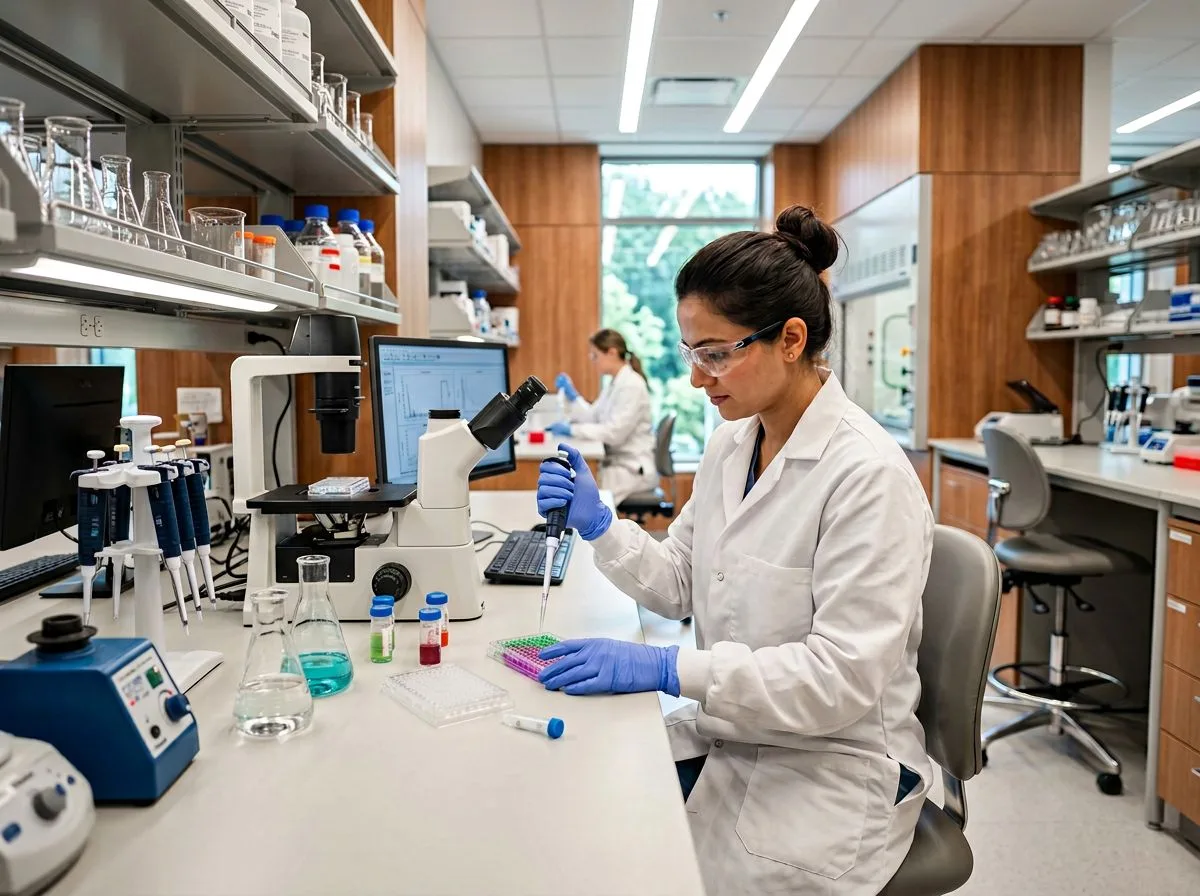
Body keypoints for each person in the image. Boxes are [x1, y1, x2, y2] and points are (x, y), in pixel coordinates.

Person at [535, 205, 935, 894]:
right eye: (692, 353)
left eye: (716, 354)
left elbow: (836, 683)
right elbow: (680, 582)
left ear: (790, 339)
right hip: (739, 732)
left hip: (832, 764)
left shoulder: (866, 476)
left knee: (655, 871)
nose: (698, 377)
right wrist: (601, 525)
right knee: (585, 813)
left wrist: (667, 667)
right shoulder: (732, 441)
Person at [550, 329, 657, 505]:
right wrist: (573, 396)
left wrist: (572, 430)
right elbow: (593, 416)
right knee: (575, 487)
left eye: (595, 356)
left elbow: (614, 433)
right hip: (618, 464)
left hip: (631, 469)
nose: (593, 361)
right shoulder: (615, 383)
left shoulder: (631, 385)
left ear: (612, 352)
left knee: (581, 496)